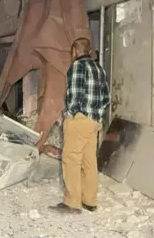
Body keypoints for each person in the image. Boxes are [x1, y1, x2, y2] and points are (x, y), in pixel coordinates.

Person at [49, 38, 109, 214]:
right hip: (94, 121)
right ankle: (90, 200)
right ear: (90, 51)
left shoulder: (77, 67)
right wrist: (97, 115)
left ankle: (72, 202)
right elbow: (106, 97)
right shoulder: (99, 69)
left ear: (75, 51)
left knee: (71, 158)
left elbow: (76, 94)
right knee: (89, 160)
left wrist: (71, 114)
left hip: (79, 119)